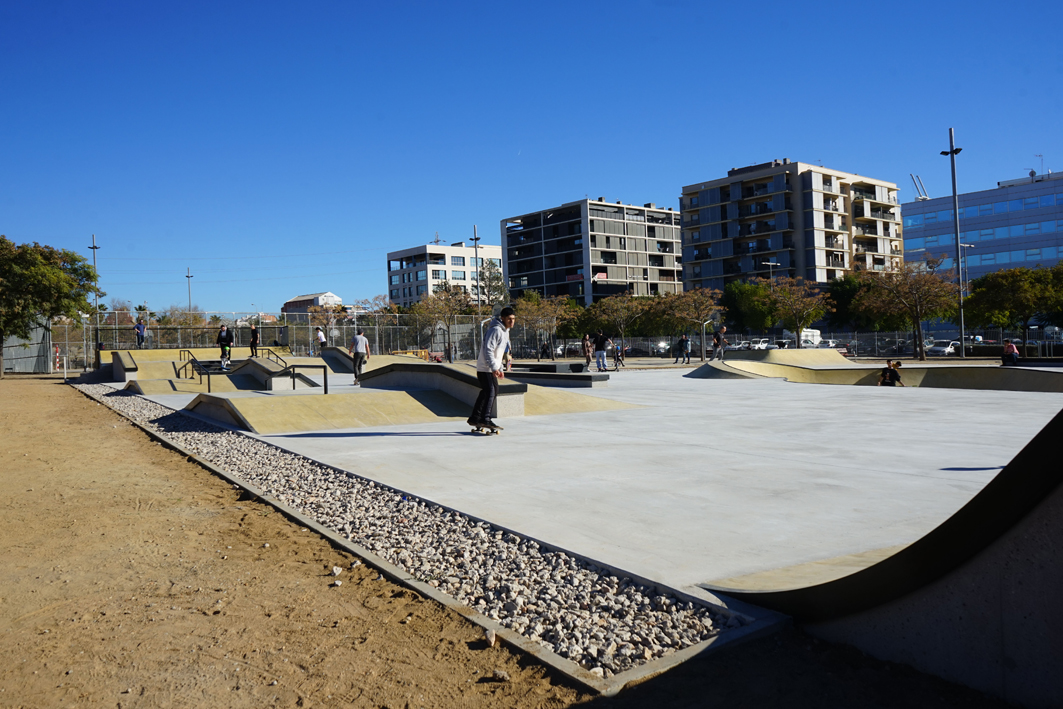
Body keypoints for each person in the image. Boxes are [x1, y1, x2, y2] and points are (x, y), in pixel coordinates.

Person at [468, 307, 515, 431]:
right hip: (485, 367)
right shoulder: (495, 330)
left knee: (489, 391)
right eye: (509, 319)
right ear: (503, 318)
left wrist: (500, 368)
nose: (512, 322)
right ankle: (485, 418)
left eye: (513, 319)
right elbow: (488, 349)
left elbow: (498, 353)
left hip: (491, 367)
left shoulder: (505, 331)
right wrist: (494, 367)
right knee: (491, 391)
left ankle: (475, 417)